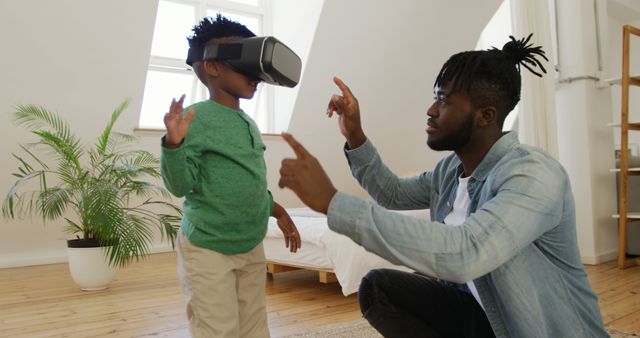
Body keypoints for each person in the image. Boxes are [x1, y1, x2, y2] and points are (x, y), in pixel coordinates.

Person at [277, 34, 608, 337]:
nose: (431, 111)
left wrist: (333, 203)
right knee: (380, 288)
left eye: (444, 101)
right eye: (435, 98)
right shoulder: (450, 170)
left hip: (536, 331)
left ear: (486, 116)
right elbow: (391, 193)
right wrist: (356, 136)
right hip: (484, 316)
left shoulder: (534, 174)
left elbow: (467, 252)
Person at [160, 15, 301, 338]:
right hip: (209, 247)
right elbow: (180, 185)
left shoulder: (248, 123)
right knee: (218, 328)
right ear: (212, 67)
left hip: (250, 243)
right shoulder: (196, 118)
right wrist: (173, 144)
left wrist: (278, 212)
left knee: (254, 325)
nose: (256, 77)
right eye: (245, 68)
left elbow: (248, 184)